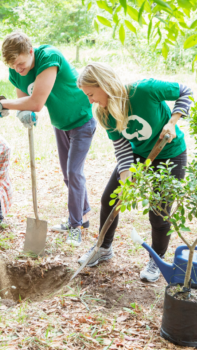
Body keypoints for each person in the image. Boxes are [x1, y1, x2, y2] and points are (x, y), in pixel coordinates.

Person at [77, 62, 192, 282]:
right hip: (138, 155)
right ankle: (103, 248)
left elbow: (185, 91)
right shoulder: (104, 113)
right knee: (109, 199)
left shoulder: (145, 90)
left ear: (104, 84)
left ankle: (156, 259)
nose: (90, 100)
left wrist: (172, 122)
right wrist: (125, 176)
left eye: (91, 94)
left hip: (170, 154)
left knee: (159, 213)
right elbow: (121, 147)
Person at [0, 31, 96, 246]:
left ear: (30, 51)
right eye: (13, 66)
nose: (18, 69)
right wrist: (24, 114)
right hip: (61, 123)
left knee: (74, 173)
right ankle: (83, 216)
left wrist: (6, 104)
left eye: (20, 63)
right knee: (69, 176)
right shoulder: (17, 72)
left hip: (81, 119)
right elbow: (25, 102)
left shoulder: (49, 57)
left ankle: (75, 226)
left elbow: (37, 103)